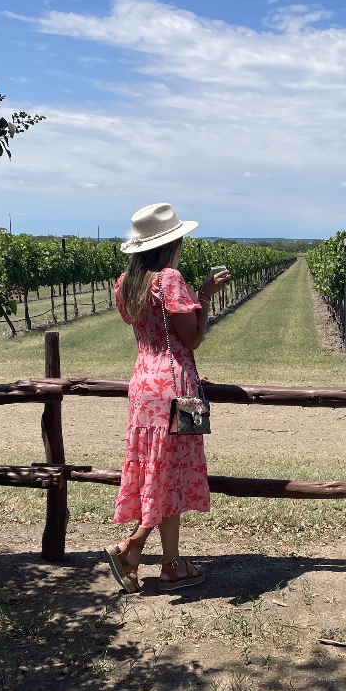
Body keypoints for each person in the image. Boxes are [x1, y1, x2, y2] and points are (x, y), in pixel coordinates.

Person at [106, 203, 229, 592]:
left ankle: (171, 565)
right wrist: (205, 296)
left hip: (144, 384)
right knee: (170, 472)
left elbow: (158, 340)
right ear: (172, 241)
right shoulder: (171, 279)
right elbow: (191, 338)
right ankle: (132, 548)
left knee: (160, 472)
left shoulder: (127, 282)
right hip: (178, 389)